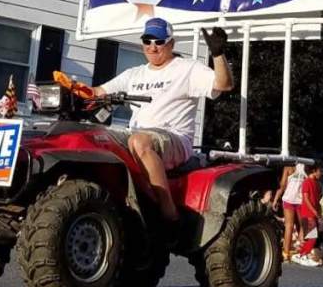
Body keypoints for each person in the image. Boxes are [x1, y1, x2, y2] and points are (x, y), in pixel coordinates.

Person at [93, 18, 233, 233]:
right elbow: (96, 93)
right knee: (96, 139)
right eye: (147, 40)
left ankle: (169, 216)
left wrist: (217, 54)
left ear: (171, 44)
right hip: (137, 135)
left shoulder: (187, 68)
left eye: (158, 41)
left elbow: (224, 84)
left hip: (174, 138)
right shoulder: (134, 73)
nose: (152, 46)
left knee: (139, 141)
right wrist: (66, 86)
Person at [273, 163, 306, 262]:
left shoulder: (290, 167)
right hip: (295, 200)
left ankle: (288, 253)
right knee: (299, 226)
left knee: (293, 226)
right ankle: (296, 252)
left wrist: (275, 199)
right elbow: (283, 185)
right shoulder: (302, 167)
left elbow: (282, 185)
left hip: (293, 200)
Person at [292, 162, 323, 267]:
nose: (321, 173)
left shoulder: (317, 184)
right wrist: (314, 210)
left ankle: (301, 255)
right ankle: (302, 255)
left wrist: (319, 210)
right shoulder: (307, 182)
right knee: (313, 237)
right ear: (313, 171)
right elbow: (306, 198)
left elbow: (317, 199)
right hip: (307, 212)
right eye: (319, 171)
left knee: (312, 236)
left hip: (314, 213)